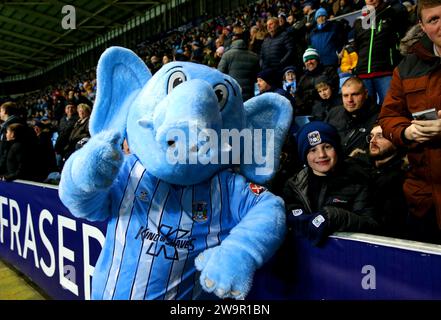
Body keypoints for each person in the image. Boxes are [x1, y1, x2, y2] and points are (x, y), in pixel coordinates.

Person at [378, 0, 441, 244]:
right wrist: (407, 133)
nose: (440, 25)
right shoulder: (406, 67)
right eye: (433, 20)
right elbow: (388, 116)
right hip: (423, 199)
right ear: (422, 27)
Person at [282, 121, 378, 246]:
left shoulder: (358, 179)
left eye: (327, 147)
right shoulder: (294, 185)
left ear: (336, 148)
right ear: (304, 156)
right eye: (313, 150)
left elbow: (371, 225)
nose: (321, 155)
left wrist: (334, 216)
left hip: (347, 258)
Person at [351, 124, 409, 238]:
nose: (373, 141)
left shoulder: (401, 177)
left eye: (380, 136)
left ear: (397, 141)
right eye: (371, 136)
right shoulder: (357, 165)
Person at [353, 0, 408, 106]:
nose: (371, 0)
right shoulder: (360, 21)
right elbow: (357, 46)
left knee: (391, 106)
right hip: (363, 73)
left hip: (385, 71)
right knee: (365, 109)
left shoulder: (392, 14)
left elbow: (402, 12)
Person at [325, 77, 379, 156]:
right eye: (345, 96)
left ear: (366, 93)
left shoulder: (380, 117)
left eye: (355, 94)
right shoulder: (334, 113)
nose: (350, 100)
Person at [295, 48, 339, 115]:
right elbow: (297, 94)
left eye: (312, 59)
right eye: (306, 61)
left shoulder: (329, 71)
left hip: (329, 105)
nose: (309, 62)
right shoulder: (303, 78)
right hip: (309, 109)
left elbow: (334, 87)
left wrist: (313, 93)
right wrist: (302, 106)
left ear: (317, 60)